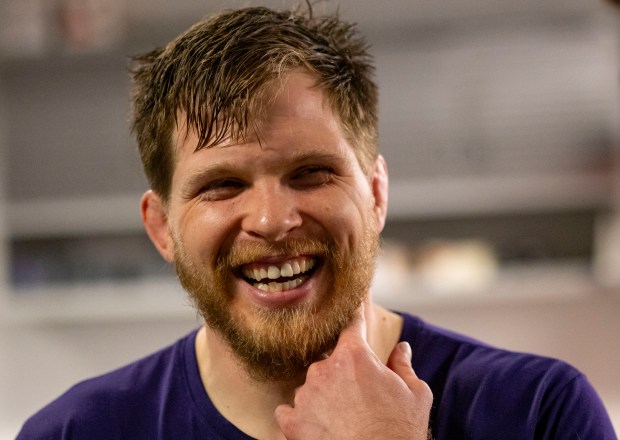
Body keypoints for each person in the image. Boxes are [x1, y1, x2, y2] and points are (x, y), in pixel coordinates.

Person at [17, 5, 617, 440]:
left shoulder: (540, 414)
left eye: (311, 172)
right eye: (223, 184)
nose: (274, 219)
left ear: (376, 194)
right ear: (162, 228)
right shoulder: (74, 432)